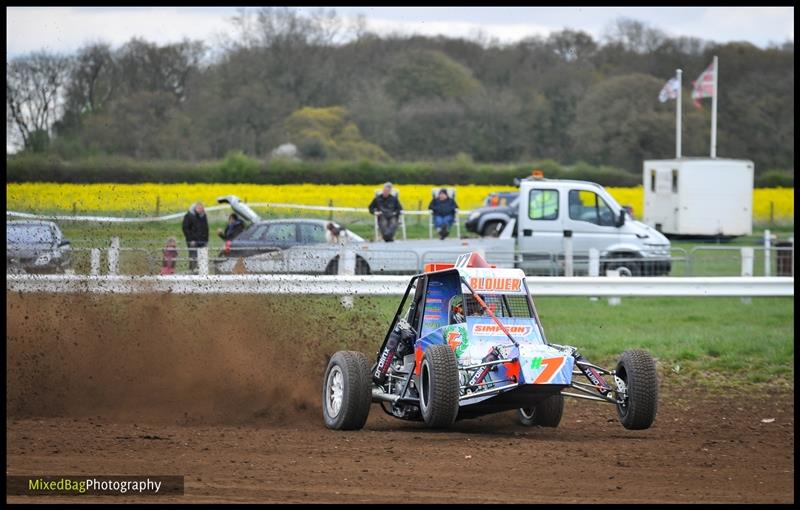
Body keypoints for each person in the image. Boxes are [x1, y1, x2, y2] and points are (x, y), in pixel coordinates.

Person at [182, 201, 209, 273]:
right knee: (193, 257)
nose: (201, 210)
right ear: (195, 208)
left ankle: (203, 273)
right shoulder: (189, 216)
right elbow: (185, 228)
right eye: (199, 208)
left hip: (202, 242)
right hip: (192, 242)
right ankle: (193, 272)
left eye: (202, 208)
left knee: (203, 258)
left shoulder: (203, 216)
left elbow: (206, 228)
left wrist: (206, 240)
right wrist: (190, 240)